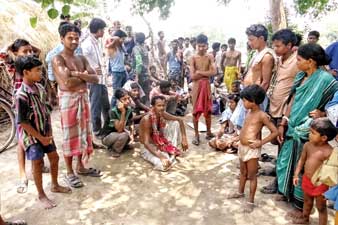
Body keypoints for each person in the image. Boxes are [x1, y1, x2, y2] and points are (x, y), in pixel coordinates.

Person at [276, 43, 338, 217]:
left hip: (310, 130)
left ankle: (301, 206)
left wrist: (322, 112)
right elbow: (292, 100)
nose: (296, 62)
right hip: (292, 124)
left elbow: (334, 106)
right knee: (287, 160)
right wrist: (284, 121)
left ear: (310, 61)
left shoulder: (327, 80)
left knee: (305, 168)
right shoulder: (300, 76)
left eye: (299, 59)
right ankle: (286, 192)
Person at [15, 56, 71, 209]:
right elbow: (23, 123)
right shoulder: (21, 96)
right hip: (33, 137)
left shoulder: (39, 88)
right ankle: (41, 194)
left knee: (54, 157)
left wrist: (47, 134)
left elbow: (45, 110)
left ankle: (54, 184)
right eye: (37, 70)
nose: (41, 73)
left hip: (45, 133)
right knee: (37, 162)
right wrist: (40, 137)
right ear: (26, 72)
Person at [53, 24, 101, 188]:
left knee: (82, 134)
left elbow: (96, 78)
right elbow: (67, 83)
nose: (74, 41)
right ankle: (69, 172)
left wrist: (77, 74)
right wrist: (84, 76)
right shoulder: (58, 59)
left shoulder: (81, 58)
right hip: (69, 101)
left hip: (83, 98)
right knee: (69, 135)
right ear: (62, 39)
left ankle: (80, 166)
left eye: (76, 38)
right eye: (70, 38)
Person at [5, 39, 48, 194]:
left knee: (39, 134)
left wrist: (28, 48)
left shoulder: (31, 65)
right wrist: (13, 48)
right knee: (23, 141)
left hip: (33, 102)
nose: (29, 53)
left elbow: (38, 52)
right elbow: (3, 53)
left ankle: (39, 164)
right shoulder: (14, 65)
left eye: (30, 51)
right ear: (15, 53)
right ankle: (23, 174)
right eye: (25, 51)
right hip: (21, 103)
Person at [227, 85, 278, 213]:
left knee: (252, 175)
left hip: (252, 149)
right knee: (243, 172)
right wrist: (237, 138)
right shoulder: (249, 112)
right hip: (243, 147)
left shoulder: (262, 115)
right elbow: (245, 129)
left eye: (244, 100)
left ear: (253, 101)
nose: (243, 103)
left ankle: (251, 201)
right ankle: (240, 192)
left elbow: (275, 132)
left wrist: (260, 142)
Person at [261, 29, 300, 194]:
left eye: (278, 46)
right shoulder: (280, 60)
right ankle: (278, 172)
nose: (275, 49)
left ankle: (279, 182)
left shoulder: (297, 61)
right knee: (277, 144)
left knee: (284, 147)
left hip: (286, 111)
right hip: (275, 108)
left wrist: (286, 115)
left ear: (290, 46)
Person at [292, 118, 337, 225]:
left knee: (321, 207)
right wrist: (296, 174)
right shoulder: (307, 145)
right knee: (307, 202)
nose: (309, 134)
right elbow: (301, 160)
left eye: (313, 133)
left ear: (324, 138)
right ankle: (305, 219)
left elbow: (332, 169)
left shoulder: (329, 152)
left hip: (321, 184)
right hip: (307, 180)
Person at [139, 96, 188, 171]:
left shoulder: (161, 113)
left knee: (175, 123)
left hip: (159, 141)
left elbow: (180, 120)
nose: (162, 108)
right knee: (164, 164)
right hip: (148, 146)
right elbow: (146, 143)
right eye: (159, 105)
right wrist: (161, 156)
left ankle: (169, 151)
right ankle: (168, 153)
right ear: (153, 106)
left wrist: (184, 139)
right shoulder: (147, 119)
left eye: (163, 105)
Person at [82, 18, 110, 137]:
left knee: (105, 104)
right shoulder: (87, 44)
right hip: (94, 79)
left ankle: (107, 126)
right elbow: (83, 59)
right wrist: (92, 69)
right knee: (96, 105)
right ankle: (97, 130)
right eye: (102, 30)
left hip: (101, 78)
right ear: (98, 30)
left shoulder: (96, 42)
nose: (103, 32)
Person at [190, 34, 217, 145]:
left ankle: (209, 132)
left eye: (203, 46)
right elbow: (192, 76)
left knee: (208, 110)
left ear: (207, 45)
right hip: (197, 86)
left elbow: (214, 72)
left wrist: (200, 72)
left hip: (206, 85)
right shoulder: (192, 58)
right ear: (196, 45)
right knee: (195, 111)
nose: (201, 48)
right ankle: (196, 135)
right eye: (199, 46)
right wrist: (206, 74)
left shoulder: (210, 57)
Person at [101, 88, 133, 157]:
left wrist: (132, 132)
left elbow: (131, 122)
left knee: (134, 130)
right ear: (118, 101)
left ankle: (123, 145)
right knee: (124, 135)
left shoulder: (129, 110)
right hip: (108, 137)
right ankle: (114, 150)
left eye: (128, 98)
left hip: (118, 134)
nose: (127, 101)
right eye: (124, 99)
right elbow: (119, 129)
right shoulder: (113, 111)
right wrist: (123, 112)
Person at [106, 30, 128, 106]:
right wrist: (117, 38)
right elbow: (113, 39)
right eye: (122, 39)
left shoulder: (121, 47)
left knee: (124, 93)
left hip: (123, 71)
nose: (123, 41)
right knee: (116, 94)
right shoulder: (112, 47)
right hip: (116, 73)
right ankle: (112, 112)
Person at [133, 32, 151, 104]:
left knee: (138, 93)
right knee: (146, 93)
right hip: (146, 73)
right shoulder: (145, 48)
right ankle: (147, 109)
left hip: (140, 74)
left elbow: (139, 62)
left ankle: (141, 111)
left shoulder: (136, 48)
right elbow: (148, 60)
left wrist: (137, 76)